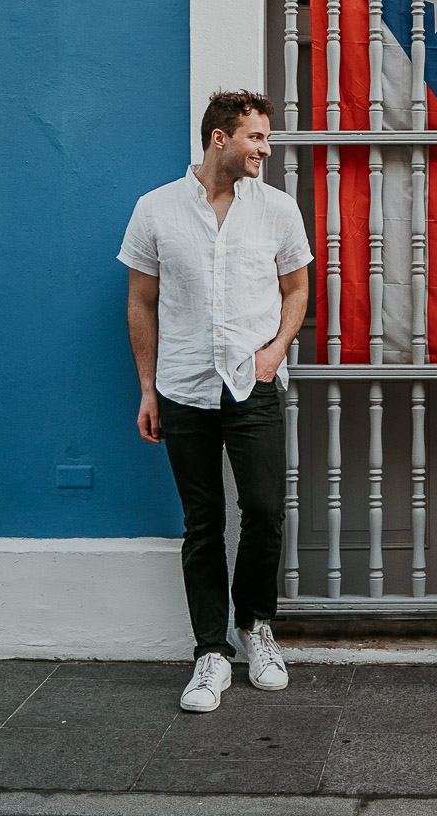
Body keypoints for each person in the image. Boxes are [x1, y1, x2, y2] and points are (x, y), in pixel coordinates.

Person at [119, 90, 312, 712]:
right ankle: (210, 651)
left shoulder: (279, 210)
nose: (266, 148)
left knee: (263, 510)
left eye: (267, 136)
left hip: (252, 383)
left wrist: (274, 353)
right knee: (202, 524)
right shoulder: (155, 210)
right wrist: (148, 388)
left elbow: (297, 287)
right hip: (182, 387)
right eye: (256, 137)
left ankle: (256, 627)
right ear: (219, 138)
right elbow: (141, 303)